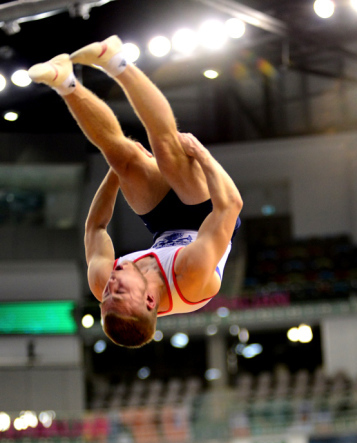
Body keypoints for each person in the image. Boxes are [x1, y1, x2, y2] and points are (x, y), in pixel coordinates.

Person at [28, 36, 243, 348]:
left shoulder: (105, 283)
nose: (111, 284)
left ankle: (65, 82)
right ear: (150, 299)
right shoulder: (191, 278)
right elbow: (231, 205)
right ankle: (117, 61)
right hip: (209, 216)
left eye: (106, 296)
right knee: (167, 151)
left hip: (163, 225)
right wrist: (204, 156)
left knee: (122, 158)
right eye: (120, 291)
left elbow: (95, 227)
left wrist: (116, 173)